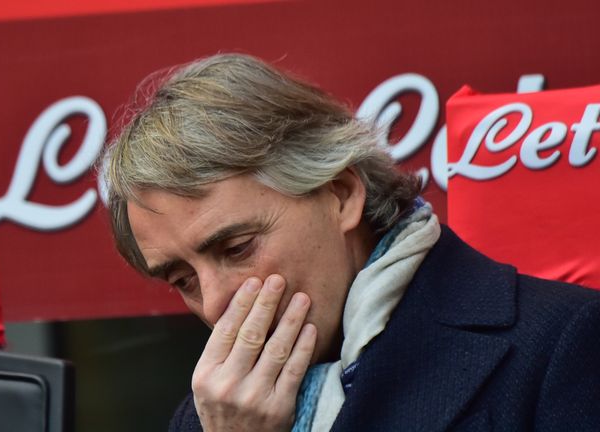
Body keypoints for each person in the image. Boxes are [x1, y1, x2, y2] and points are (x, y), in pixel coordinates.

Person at [100, 53, 600, 431]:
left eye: (237, 248)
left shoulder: (564, 342)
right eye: (183, 280)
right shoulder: (213, 411)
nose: (214, 303)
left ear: (340, 194)